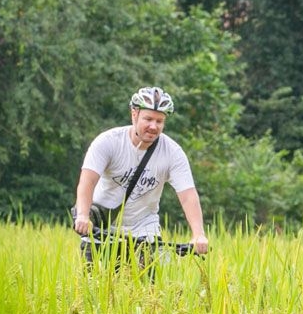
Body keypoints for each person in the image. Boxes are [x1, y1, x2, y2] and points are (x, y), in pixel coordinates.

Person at [72, 86, 209, 268]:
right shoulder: (108, 142)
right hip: (102, 228)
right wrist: (82, 215)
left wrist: (198, 234)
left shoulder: (173, 152)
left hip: (144, 229)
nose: (154, 126)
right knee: (94, 282)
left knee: (151, 283)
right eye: (148, 119)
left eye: (159, 121)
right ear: (134, 114)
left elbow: (188, 196)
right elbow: (87, 181)